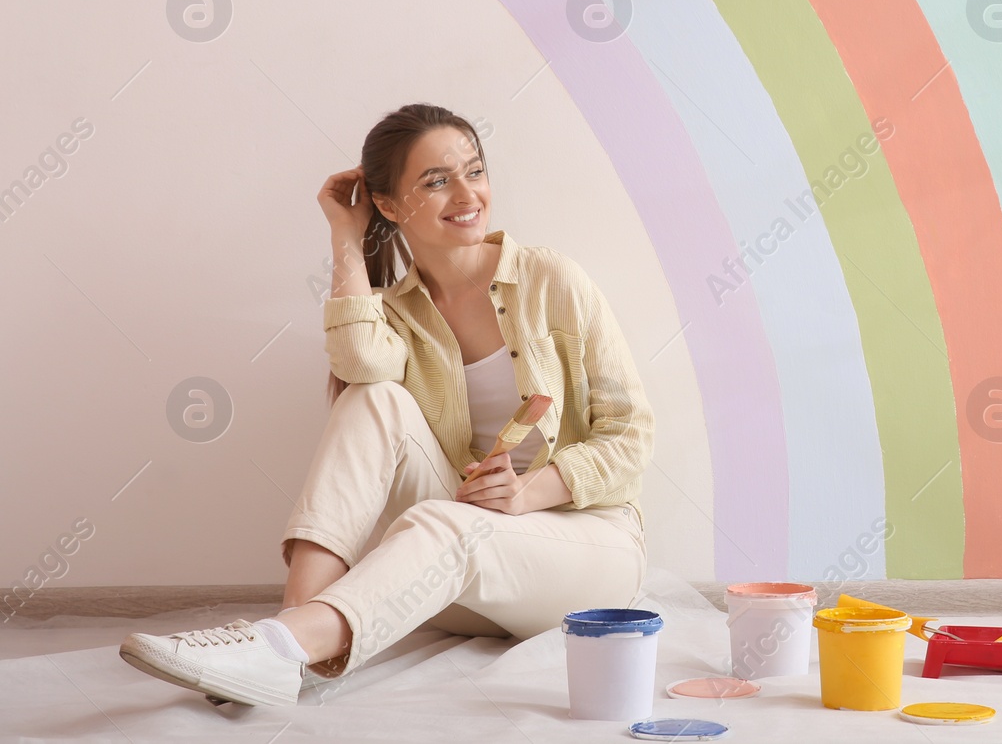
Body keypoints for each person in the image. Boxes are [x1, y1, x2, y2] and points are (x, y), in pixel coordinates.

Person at [119, 103, 654, 706]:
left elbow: (630, 436)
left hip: (585, 560)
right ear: (390, 206)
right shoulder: (398, 312)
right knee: (371, 399)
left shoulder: (552, 280)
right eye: (436, 180)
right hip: (462, 587)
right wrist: (345, 235)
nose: (467, 193)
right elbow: (359, 365)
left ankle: (277, 646)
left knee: (443, 522)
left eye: (474, 171)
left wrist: (530, 492)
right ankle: (289, 643)